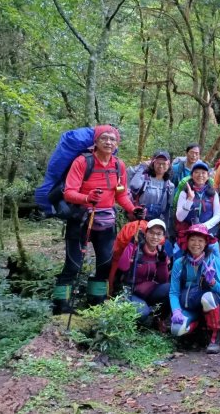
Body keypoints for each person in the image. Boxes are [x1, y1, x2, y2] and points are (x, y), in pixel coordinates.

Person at [52, 125, 145, 314]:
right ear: (96, 141)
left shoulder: (119, 166)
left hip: (106, 222)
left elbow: (121, 195)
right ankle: (61, 307)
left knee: (105, 263)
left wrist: (132, 209)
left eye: (112, 139)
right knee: (73, 263)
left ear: (117, 143)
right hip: (80, 220)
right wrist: (87, 198)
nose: (108, 142)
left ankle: (96, 303)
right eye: (104, 138)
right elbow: (69, 193)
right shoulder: (82, 162)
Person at [169, 224, 220, 354]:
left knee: (207, 297)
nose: (196, 244)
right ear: (187, 241)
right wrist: (176, 311)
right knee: (176, 330)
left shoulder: (214, 262)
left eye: (200, 240)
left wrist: (212, 282)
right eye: (192, 239)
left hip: (208, 302)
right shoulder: (179, 263)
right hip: (188, 304)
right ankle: (199, 324)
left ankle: (214, 335)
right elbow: (174, 292)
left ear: (206, 243)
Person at [116, 219, 170, 325]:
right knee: (142, 313)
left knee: (171, 288)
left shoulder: (160, 253)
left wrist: (163, 262)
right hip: (131, 291)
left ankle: (159, 319)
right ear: (146, 233)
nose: (155, 237)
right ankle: (137, 313)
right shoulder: (136, 249)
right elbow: (122, 267)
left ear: (163, 237)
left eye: (159, 234)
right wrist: (132, 244)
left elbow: (163, 280)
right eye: (151, 233)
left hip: (149, 291)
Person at [128, 149, 175, 230]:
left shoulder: (170, 186)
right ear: (153, 163)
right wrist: (142, 167)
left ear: (169, 165)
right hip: (138, 221)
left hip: (157, 224)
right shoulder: (143, 178)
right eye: (158, 163)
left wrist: (167, 229)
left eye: (164, 163)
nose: (161, 166)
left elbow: (168, 210)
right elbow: (131, 182)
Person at [175, 160, 220, 237]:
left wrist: (203, 226)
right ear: (192, 175)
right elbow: (180, 218)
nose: (200, 175)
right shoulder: (184, 193)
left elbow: (217, 216)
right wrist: (189, 199)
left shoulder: (213, 193)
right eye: (196, 172)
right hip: (187, 233)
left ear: (208, 176)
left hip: (207, 233)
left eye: (203, 173)